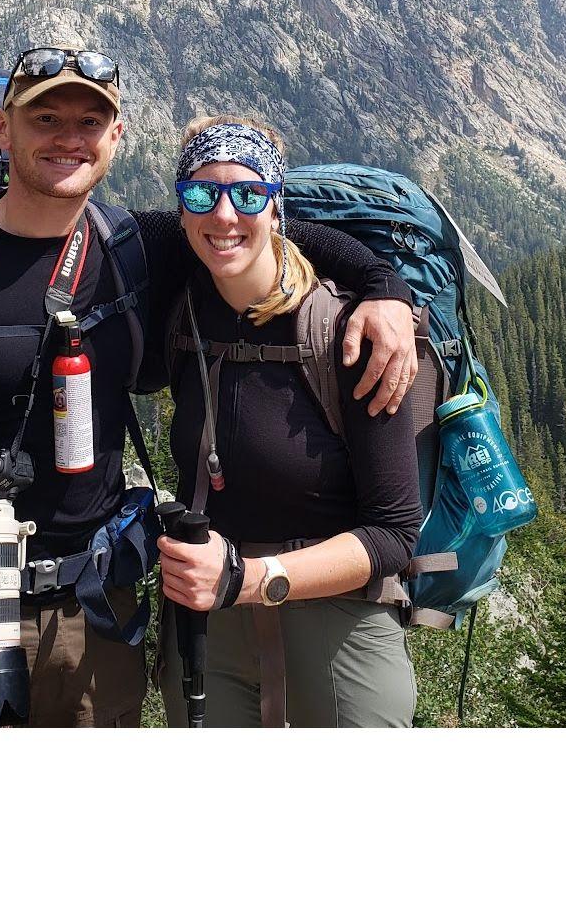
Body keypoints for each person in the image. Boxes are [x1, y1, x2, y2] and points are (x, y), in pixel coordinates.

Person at [0, 46, 420, 728]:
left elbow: (259, 229)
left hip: (94, 622)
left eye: (89, 121)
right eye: (45, 117)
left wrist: (384, 288)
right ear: (2, 128)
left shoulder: (131, 244)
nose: (68, 138)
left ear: (115, 137)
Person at [157, 115, 422, 728]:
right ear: (181, 209)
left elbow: (394, 533)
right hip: (206, 626)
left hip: (339, 626)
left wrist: (251, 579)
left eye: (249, 194)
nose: (224, 215)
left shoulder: (347, 333)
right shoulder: (181, 311)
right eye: (201, 193)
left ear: (277, 206)